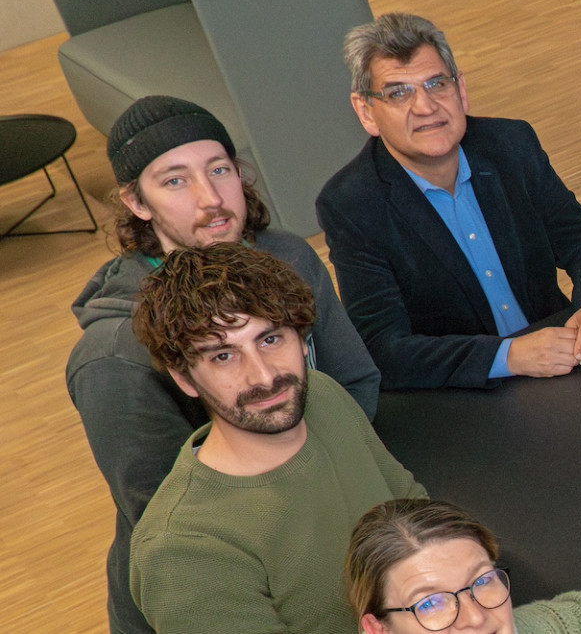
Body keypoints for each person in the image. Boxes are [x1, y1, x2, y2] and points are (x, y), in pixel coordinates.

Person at [65, 94, 381, 634]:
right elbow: (165, 512)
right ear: (135, 202)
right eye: (175, 181)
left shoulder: (290, 259)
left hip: (330, 543)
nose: (211, 198)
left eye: (220, 169)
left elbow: (353, 381)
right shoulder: (113, 354)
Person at [319, 13, 581, 389]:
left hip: (566, 366)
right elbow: (384, 348)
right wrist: (509, 356)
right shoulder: (351, 205)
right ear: (366, 112)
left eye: (437, 83)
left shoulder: (511, 145)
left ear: (461, 90)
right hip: (466, 398)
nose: (425, 106)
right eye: (398, 93)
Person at [127, 242, 427, 633]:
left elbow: (417, 514)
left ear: (303, 339)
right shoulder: (182, 550)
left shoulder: (321, 395)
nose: (265, 377)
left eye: (270, 339)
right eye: (223, 356)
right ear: (184, 378)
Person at [348, 499, 581, 634]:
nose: (476, 618)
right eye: (430, 604)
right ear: (378, 631)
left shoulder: (564, 625)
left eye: (481, 581)